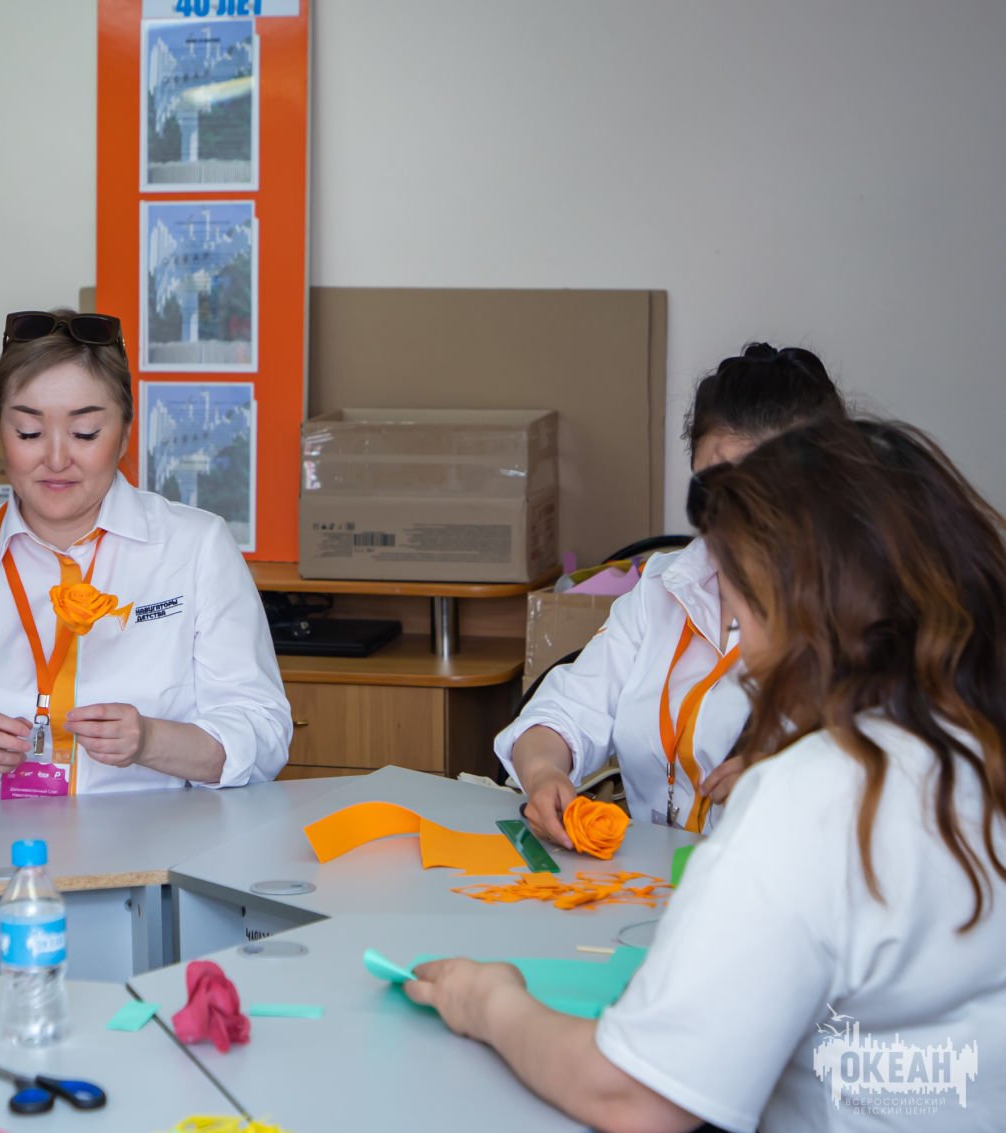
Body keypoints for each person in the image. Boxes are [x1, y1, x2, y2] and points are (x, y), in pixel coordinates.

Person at [407, 417, 1006, 1131]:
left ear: (799, 604)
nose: (738, 636)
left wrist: (488, 1001)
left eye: (740, 602)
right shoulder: (969, 738)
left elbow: (634, 1096)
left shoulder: (815, 796)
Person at [0, 309, 291, 805]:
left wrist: (151, 741)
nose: (56, 458)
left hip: (156, 841)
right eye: (28, 432)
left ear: (125, 434)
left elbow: (264, 735)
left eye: (85, 433)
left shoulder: (195, 547)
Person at [494, 344, 845, 843]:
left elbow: (902, 774)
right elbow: (568, 709)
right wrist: (544, 773)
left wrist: (800, 777)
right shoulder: (664, 587)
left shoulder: (862, 609)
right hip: (652, 876)